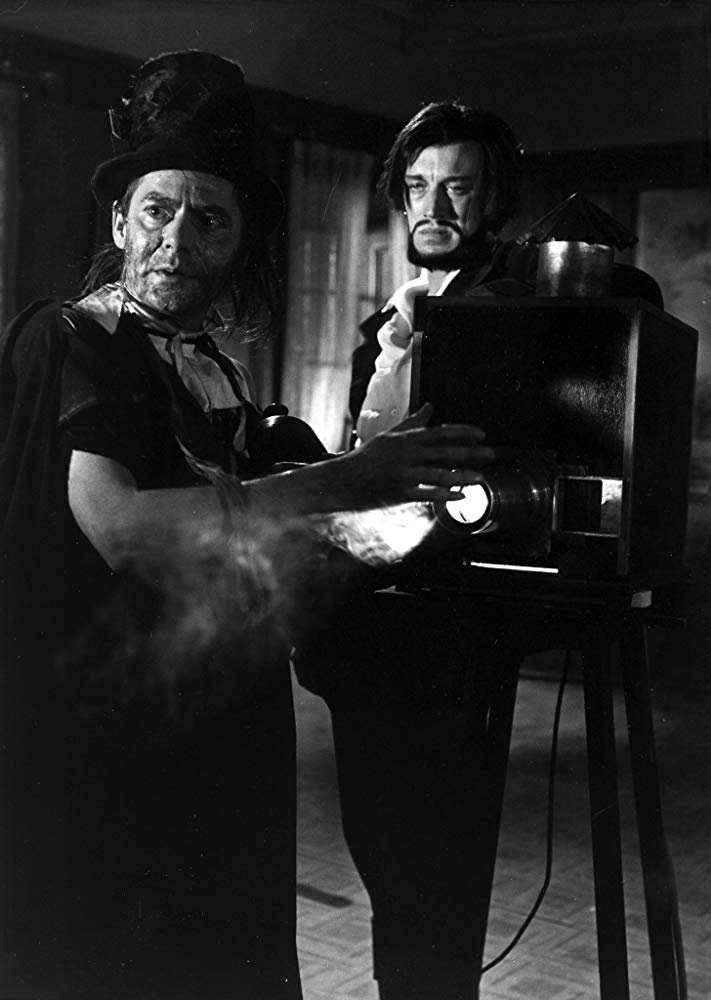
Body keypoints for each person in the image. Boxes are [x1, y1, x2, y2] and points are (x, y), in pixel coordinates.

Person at [0, 61, 494, 1000]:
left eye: (209, 221)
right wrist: (341, 480)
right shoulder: (78, 341)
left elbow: (255, 526)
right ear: (120, 223)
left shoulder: (212, 370)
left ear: (239, 244)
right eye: (157, 212)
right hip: (108, 737)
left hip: (215, 722)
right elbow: (123, 529)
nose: (176, 241)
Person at [295, 100, 664, 1000]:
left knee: (431, 867)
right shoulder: (384, 327)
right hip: (369, 613)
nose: (434, 208)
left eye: (457, 188)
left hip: (457, 614)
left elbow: (631, 304)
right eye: (418, 187)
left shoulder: (510, 302)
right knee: (385, 854)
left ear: (494, 201)